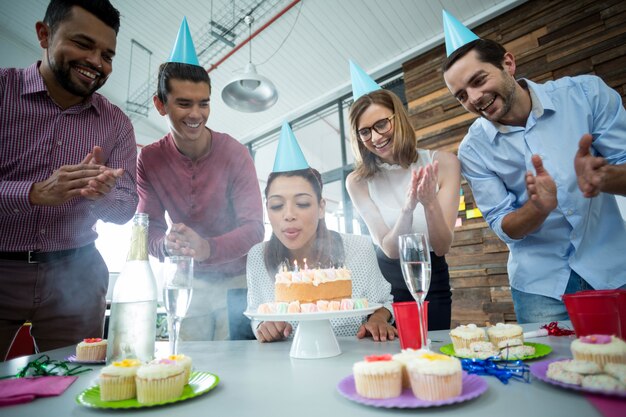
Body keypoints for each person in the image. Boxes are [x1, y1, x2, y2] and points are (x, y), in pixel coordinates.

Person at [442, 35, 626, 323]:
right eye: (462, 96)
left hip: (613, 269)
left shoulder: (586, 95)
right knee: (548, 368)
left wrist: (605, 177)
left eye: (478, 80)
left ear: (508, 63)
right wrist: (537, 209)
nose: (474, 98)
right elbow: (502, 224)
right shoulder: (473, 150)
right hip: (540, 288)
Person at [0, 0, 138, 359]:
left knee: (77, 383)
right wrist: (33, 193)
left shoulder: (116, 124)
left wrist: (99, 195)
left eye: (107, 54)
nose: (96, 61)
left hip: (78, 275)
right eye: (82, 44)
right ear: (44, 34)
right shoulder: (3, 93)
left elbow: (125, 210)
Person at [137, 19, 264, 341]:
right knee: (190, 371)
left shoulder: (235, 153)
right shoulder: (149, 159)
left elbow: (254, 228)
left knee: (240, 372)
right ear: (160, 104)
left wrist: (208, 247)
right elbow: (147, 226)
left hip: (238, 282)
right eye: (183, 103)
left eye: (203, 103)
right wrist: (164, 245)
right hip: (186, 283)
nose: (196, 114)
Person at [246, 123, 396, 342]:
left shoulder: (359, 248)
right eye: (277, 206)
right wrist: (262, 326)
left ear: (321, 207)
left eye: (303, 204)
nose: (288, 215)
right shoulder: (258, 257)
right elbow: (254, 312)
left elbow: (383, 302)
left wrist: (379, 318)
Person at [345, 62, 460, 331]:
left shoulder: (444, 163)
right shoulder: (358, 182)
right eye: (365, 132)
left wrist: (429, 202)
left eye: (382, 124)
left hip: (433, 280)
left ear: (398, 118)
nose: (376, 137)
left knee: (431, 358)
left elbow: (442, 246)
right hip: (384, 290)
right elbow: (390, 248)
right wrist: (408, 207)